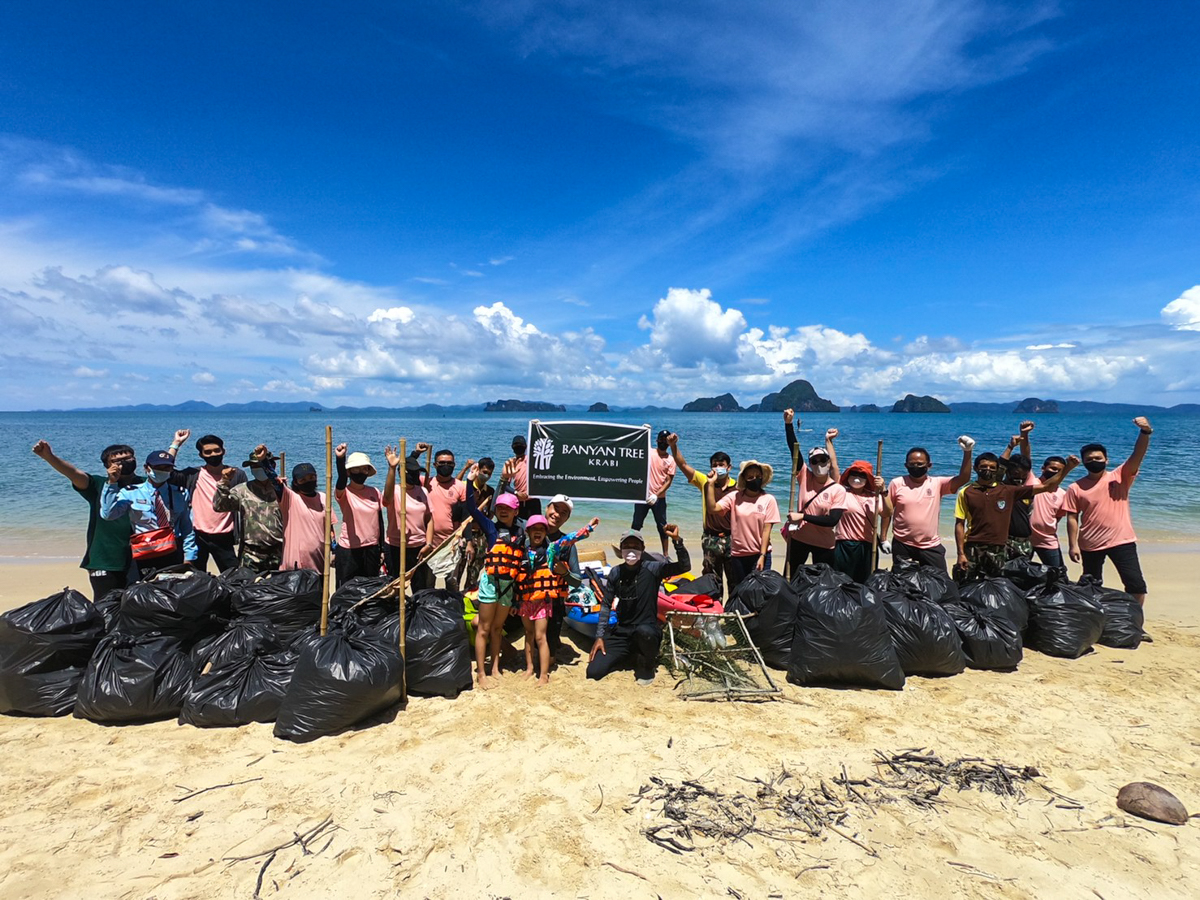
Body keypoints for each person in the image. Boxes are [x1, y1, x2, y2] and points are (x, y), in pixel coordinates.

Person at [32, 439, 145, 599]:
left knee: (138, 606)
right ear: (107, 466)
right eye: (117, 461)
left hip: (141, 556)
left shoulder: (146, 484)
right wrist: (49, 457)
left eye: (128, 458)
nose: (124, 463)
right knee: (105, 606)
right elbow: (73, 473)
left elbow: (165, 470)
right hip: (104, 558)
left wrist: (175, 444)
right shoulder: (98, 485)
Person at [1063, 417, 1154, 605]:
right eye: (1089, 459)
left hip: (1122, 541)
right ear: (1084, 463)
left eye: (1098, 458)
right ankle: (1095, 621)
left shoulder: (1120, 476)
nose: (1094, 461)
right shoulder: (1075, 487)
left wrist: (1145, 432)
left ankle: (1134, 623)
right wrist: (1073, 545)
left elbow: (1138, 454)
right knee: (1091, 586)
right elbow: (1072, 517)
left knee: (1136, 585)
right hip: (1090, 544)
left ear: (1106, 459)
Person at [587, 526, 690, 685]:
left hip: (646, 630)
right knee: (594, 672)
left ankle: (647, 663)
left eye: (636, 547)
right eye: (627, 546)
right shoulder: (615, 572)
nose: (631, 550)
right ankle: (632, 655)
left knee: (644, 632)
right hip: (622, 632)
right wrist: (599, 636)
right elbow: (606, 605)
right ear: (621, 550)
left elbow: (684, 567)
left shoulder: (653, 568)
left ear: (643, 549)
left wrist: (677, 542)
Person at [953, 452, 1078, 582]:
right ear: (975, 468)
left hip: (998, 548)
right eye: (983, 466)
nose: (987, 470)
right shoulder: (966, 492)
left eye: (991, 467)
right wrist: (961, 553)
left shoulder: (1008, 490)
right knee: (962, 582)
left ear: (997, 470)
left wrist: (1068, 467)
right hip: (972, 546)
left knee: (998, 585)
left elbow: (1047, 486)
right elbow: (959, 524)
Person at [518, 513, 598, 685]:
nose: (538, 532)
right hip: (526, 600)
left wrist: (587, 529)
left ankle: (544, 675)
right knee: (528, 634)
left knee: (540, 637)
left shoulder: (551, 550)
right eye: (534, 530)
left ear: (546, 533)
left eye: (541, 530)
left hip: (542, 602)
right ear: (528, 532)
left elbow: (568, 540)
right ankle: (530, 668)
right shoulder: (522, 550)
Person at [463, 478, 525, 688]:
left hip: (508, 587)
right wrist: (470, 482)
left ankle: (495, 667)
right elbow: (471, 507)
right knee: (484, 628)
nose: (503, 511)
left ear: (516, 511)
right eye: (499, 508)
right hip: (490, 583)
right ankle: (481, 673)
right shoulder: (491, 528)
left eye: (508, 508)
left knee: (497, 629)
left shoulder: (521, 533)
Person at [880, 437, 975, 572]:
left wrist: (967, 452)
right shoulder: (897, 483)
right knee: (902, 584)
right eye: (912, 464)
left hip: (930, 545)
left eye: (920, 464)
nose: (916, 467)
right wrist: (883, 538)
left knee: (940, 583)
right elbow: (887, 512)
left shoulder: (937, 484)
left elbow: (963, 479)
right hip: (902, 544)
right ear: (906, 465)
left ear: (929, 465)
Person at [100, 450, 196, 578]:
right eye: (158, 467)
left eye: (167, 467)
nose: (162, 470)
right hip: (145, 550)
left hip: (173, 549)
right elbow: (108, 515)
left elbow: (187, 526)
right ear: (147, 468)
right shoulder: (131, 492)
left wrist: (189, 556)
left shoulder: (180, 493)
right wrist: (112, 483)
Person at [666, 432, 736, 598]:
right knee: (711, 581)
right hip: (710, 539)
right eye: (714, 464)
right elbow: (683, 465)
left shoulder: (738, 487)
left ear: (729, 467)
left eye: (721, 464)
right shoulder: (705, 482)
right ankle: (714, 614)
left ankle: (734, 614)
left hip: (733, 538)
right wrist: (673, 446)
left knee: (735, 580)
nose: (718, 468)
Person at [166, 430, 246, 572]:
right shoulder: (193, 474)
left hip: (225, 535)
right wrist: (176, 443)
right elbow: (167, 472)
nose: (213, 455)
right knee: (197, 577)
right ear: (201, 455)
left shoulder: (237, 474)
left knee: (234, 575)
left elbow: (244, 502)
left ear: (223, 451)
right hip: (198, 535)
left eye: (217, 450)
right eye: (208, 452)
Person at [708, 460, 780, 592]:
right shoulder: (735, 497)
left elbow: (766, 530)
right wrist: (711, 484)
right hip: (738, 555)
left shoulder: (768, 499)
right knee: (742, 592)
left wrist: (762, 556)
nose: (755, 479)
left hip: (759, 554)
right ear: (744, 479)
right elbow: (713, 508)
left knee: (759, 592)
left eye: (758, 476)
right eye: (750, 477)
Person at [212, 446, 285, 572]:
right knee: (248, 588)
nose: (258, 470)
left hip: (280, 550)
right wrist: (224, 483)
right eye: (254, 467)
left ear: (272, 465)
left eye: (261, 466)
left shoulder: (283, 490)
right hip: (251, 553)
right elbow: (219, 506)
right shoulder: (241, 490)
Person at [783, 431, 845, 571]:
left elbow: (832, 520)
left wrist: (803, 516)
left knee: (822, 584)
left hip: (824, 544)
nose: (819, 464)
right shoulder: (805, 476)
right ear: (810, 464)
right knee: (791, 578)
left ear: (828, 463)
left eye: (823, 460)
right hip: (799, 539)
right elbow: (794, 449)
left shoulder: (837, 489)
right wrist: (788, 424)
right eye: (814, 461)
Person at [382, 446, 434, 589]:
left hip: (419, 548)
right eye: (411, 473)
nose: (415, 475)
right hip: (395, 547)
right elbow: (386, 499)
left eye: (417, 472)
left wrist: (428, 544)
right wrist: (392, 468)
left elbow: (429, 518)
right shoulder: (395, 491)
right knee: (395, 587)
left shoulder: (422, 491)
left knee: (420, 587)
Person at [334, 443, 383, 585]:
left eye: (364, 469)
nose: (361, 472)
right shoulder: (344, 493)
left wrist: (381, 549)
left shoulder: (374, 492)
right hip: (349, 549)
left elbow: (379, 521)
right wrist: (340, 459)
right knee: (347, 589)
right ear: (349, 472)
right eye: (356, 468)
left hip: (372, 548)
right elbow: (341, 480)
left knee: (370, 589)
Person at [832, 460, 888, 583]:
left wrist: (884, 490)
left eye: (862, 476)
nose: (857, 478)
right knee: (841, 582)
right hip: (844, 545)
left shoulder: (874, 497)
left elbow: (887, 514)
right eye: (854, 474)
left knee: (865, 582)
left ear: (868, 479)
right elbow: (834, 467)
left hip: (867, 546)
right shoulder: (841, 493)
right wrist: (829, 442)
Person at [543, 492, 583, 658]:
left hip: (553, 603)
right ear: (547, 508)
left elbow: (577, 581)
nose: (557, 514)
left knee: (549, 655)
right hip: (527, 600)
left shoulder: (567, 544)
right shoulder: (531, 532)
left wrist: (564, 573)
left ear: (567, 519)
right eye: (555, 508)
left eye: (563, 513)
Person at [423, 446, 467, 589]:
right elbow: (405, 470)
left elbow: (466, 516)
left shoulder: (460, 486)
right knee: (428, 583)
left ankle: (451, 609)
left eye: (450, 463)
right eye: (442, 463)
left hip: (451, 543)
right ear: (435, 465)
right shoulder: (426, 483)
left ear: (454, 465)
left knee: (451, 583)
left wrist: (469, 540)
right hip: (428, 543)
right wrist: (416, 453)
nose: (446, 466)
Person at [279, 462, 336, 571]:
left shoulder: (323, 498)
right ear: (296, 482)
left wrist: (334, 550)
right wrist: (264, 461)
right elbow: (275, 483)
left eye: (311, 477)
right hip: (295, 566)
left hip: (319, 561)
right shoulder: (291, 498)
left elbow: (330, 528)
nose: (308, 481)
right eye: (303, 480)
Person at [631, 430, 676, 555]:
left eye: (666, 440)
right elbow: (636, 447)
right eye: (661, 439)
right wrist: (641, 431)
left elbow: (668, 481)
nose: (663, 442)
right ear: (657, 440)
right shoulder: (649, 452)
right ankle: (632, 549)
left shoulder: (671, 460)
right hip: (642, 497)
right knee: (636, 525)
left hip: (659, 499)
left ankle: (666, 554)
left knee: (663, 527)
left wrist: (656, 494)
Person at [505, 434, 540, 519]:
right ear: (512, 447)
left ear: (526, 447)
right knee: (519, 528)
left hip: (533, 501)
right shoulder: (511, 463)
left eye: (521, 446)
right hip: (518, 501)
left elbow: (539, 447)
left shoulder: (532, 460)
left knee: (535, 527)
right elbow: (505, 485)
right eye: (516, 445)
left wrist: (538, 428)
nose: (518, 447)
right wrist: (516, 493)